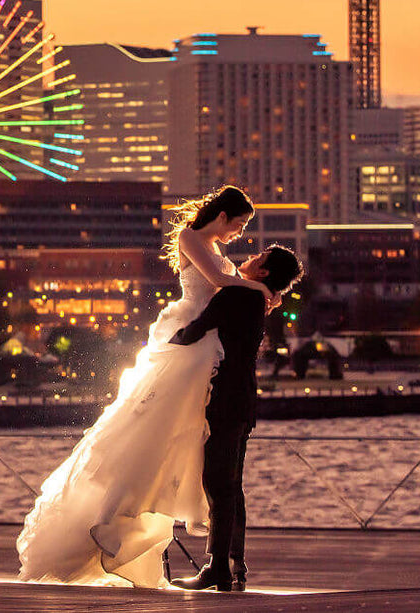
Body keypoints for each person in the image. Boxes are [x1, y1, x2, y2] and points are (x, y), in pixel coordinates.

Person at [17, 185, 272, 587]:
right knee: (150, 428)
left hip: (206, 345)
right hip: (189, 339)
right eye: (238, 224)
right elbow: (216, 281)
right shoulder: (192, 237)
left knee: (180, 440)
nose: (239, 234)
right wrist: (257, 286)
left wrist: (253, 289)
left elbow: (225, 285)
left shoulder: (219, 251)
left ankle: (207, 549)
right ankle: (110, 518)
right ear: (222, 215)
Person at [170, 245, 304, 592]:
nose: (249, 259)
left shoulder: (236, 295)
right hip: (243, 401)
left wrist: (163, 349)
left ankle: (218, 568)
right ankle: (232, 563)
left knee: (218, 481)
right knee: (231, 483)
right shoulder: (256, 299)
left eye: (257, 258)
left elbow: (197, 329)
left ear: (261, 272)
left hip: (226, 402)